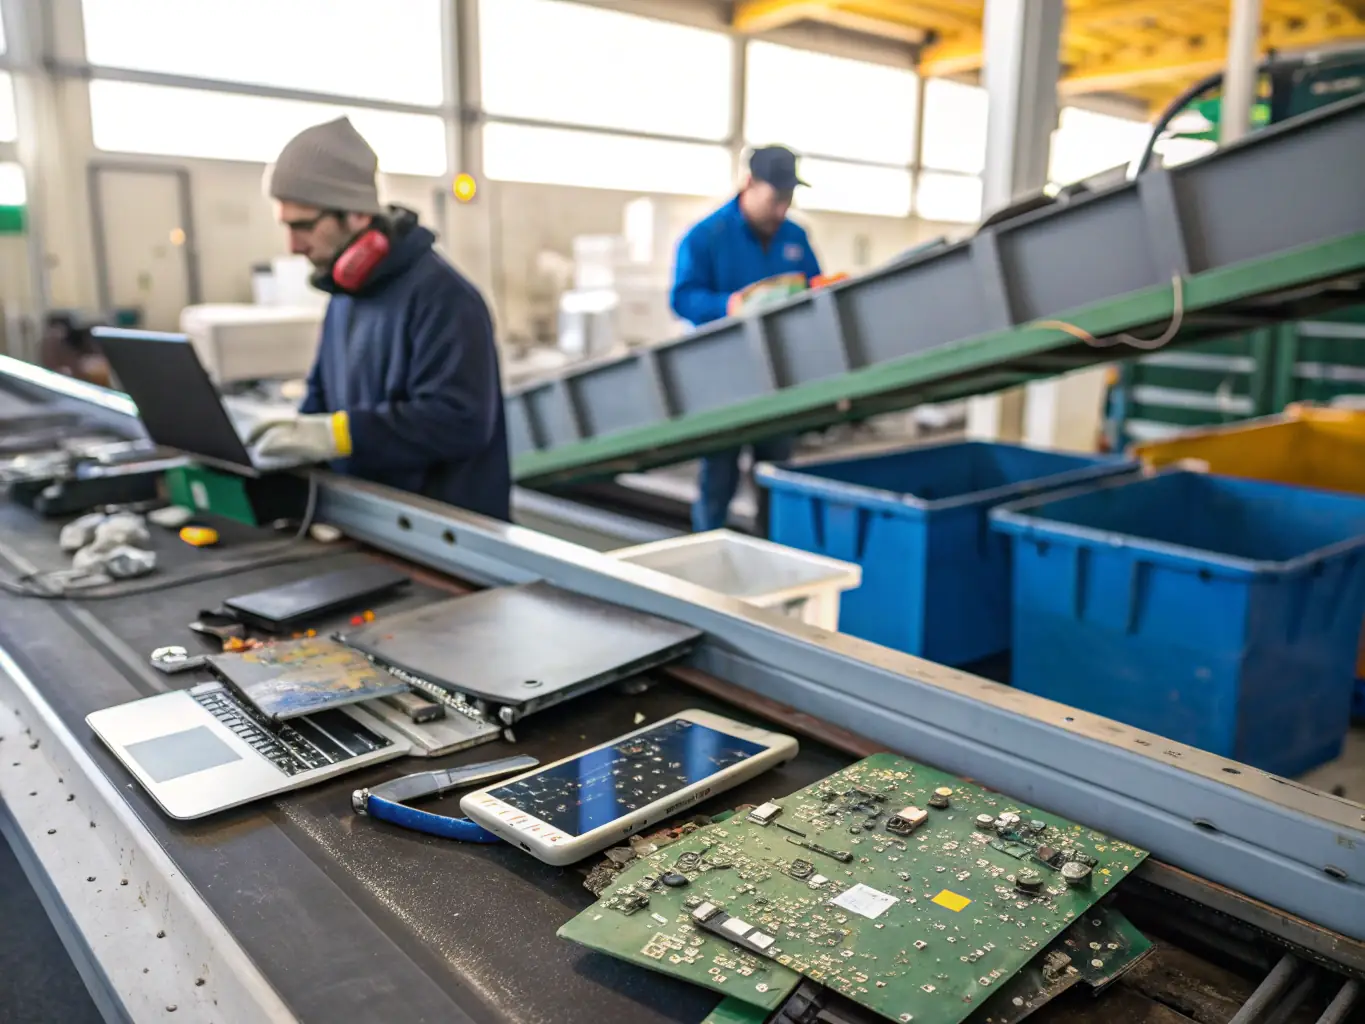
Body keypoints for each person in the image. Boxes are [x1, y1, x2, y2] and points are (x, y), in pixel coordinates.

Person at [249, 117, 511, 521]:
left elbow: (460, 422)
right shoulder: (345, 295)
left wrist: (339, 435)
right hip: (371, 520)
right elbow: (322, 394)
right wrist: (296, 435)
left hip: (444, 535)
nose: (293, 246)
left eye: (303, 226)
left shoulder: (446, 299)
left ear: (356, 214)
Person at [670, 145, 822, 532]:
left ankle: (771, 550)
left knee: (775, 475)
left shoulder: (795, 237)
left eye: (788, 200)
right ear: (749, 183)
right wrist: (730, 305)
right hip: (722, 379)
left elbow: (815, 289)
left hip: (779, 379)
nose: (781, 210)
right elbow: (682, 298)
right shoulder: (706, 237)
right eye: (775, 199)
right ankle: (708, 548)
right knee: (718, 477)